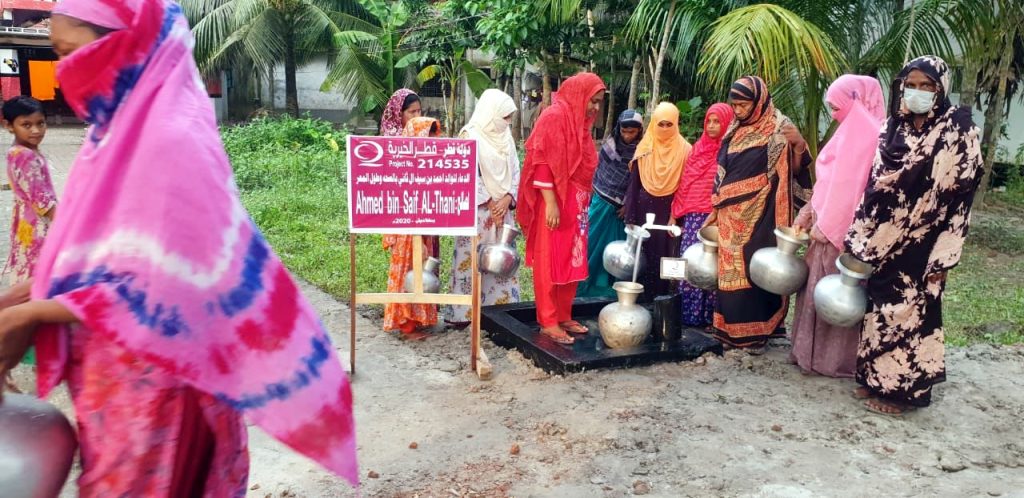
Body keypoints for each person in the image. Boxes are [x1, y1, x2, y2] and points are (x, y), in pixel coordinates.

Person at [0, 1, 358, 495]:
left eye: (70, 51)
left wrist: (34, 314)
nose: (64, 73)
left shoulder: (171, 141)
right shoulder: (110, 136)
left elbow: (171, 283)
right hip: (117, 390)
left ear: (125, 42)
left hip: (164, 390)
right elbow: (98, 259)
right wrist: (22, 298)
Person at [845, 56, 983, 415]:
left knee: (911, 312)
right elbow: (874, 184)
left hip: (927, 239)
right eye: (912, 84)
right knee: (879, 307)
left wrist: (946, 254)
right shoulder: (894, 126)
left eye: (927, 86)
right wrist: (862, 233)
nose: (917, 92)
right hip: (885, 236)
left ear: (941, 89)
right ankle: (874, 378)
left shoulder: (958, 127)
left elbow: (962, 196)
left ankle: (905, 394)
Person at [706, 76, 813, 350]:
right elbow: (723, 169)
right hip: (730, 217)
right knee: (729, 272)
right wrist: (717, 206)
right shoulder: (734, 130)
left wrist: (799, 145)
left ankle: (756, 332)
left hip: (762, 215)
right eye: (735, 105)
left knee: (755, 267)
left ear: (759, 102)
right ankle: (729, 330)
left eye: (743, 105)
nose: (739, 110)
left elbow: (795, 172)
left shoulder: (779, 128)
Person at [790, 75, 885, 378]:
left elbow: (852, 190)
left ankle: (832, 362)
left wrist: (828, 224)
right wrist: (810, 211)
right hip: (825, 226)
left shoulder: (867, 135)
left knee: (839, 294)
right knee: (819, 292)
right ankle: (809, 354)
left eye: (836, 107)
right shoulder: (849, 131)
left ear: (855, 100)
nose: (833, 114)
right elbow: (828, 183)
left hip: (845, 234)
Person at [517, 72, 606, 345]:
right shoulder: (554, 116)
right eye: (593, 101)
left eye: (600, 102)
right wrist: (552, 203)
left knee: (573, 257)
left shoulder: (579, 125)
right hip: (554, 203)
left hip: (576, 204)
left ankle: (564, 314)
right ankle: (548, 320)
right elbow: (542, 161)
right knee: (549, 259)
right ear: (580, 95)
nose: (596, 108)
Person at [446, 90, 521, 328]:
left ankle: (498, 311)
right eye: (505, 117)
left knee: (502, 259)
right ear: (492, 113)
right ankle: (463, 314)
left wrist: (508, 197)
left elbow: (515, 169)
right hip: (477, 213)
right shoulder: (469, 135)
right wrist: (490, 202)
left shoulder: (506, 136)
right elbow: (466, 173)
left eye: (509, 118)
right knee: (473, 258)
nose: (507, 122)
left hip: (503, 210)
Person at [2, 96, 56, 392]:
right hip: (37, 234)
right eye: (26, 125)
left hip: (25, 230)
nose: (36, 130)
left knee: (29, 294)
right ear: (8, 125)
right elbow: (44, 203)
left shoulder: (18, 151)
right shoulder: (26, 156)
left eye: (40, 123)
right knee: (35, 295)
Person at [670, 103, 733, 327]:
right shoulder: (697, 149)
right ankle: (689, 315)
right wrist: (674, 214)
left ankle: (710, 317)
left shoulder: (730, 150)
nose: (712, 126)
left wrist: (718, 212)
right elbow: (685, 183)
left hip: (716, 217)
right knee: (691, 263)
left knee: (712, 266)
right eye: (709, 121)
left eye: (717, 121)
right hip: (693, 215)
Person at [383, 116, 443, 340]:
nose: (432, 142)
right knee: (406, 274)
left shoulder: (427, 165)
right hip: (406, 233)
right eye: (428, 137)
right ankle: (406, 324)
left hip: (420, 230)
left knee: (420, 271)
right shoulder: (404, 166)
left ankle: (415, 320)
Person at [624, 102, 692, 300]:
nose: (663, 129)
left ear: (676, 124)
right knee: (642, 255)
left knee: (668, 256)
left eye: (668, 125)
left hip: (671, 211)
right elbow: (633, 185)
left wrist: (677, 215)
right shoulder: (645, 147)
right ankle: (641, 300)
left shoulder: (686, 150)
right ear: (653, 123)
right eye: (660, 124)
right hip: (644, 208)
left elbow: (686, 186)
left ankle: (666, 301)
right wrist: (630, 215)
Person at [577, 109, 644, 298]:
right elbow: (599, 172)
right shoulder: (610, 146)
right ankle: (582, 286)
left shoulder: (642, 151)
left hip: (620, 212)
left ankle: (607, 292)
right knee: (590, 245)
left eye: (632, 132)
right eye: (624, 131)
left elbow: (639, 183)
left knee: (616, 251)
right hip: (600, 203)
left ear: (639, 131)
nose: (627, 136)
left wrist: (628, 206)